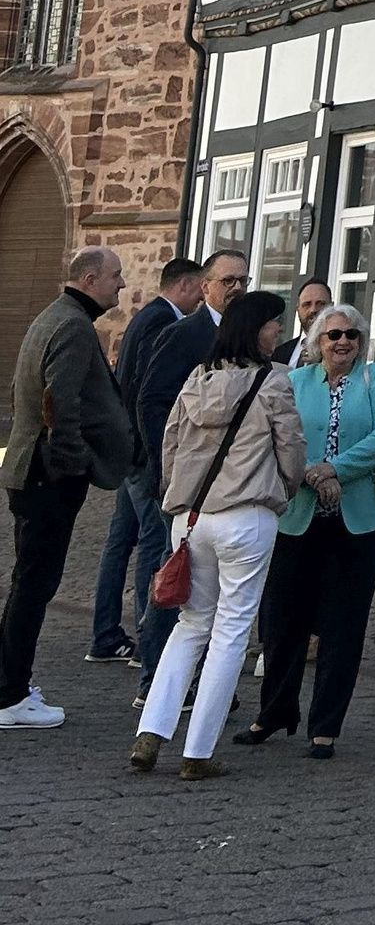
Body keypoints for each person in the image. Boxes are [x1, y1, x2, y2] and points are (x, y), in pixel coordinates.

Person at [130, 290, 306, 778]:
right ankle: (198, 751)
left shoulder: (198, 378)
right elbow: (290, 449)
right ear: (256, 329)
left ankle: (151, 732)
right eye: (274, 323)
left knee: (190, 625)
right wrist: (285, 488)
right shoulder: (273, 382)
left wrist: (177, 495)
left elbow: (171, 442)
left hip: (191, 518)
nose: (278, 331)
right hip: (246, 516)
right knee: (230, 632)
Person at [239, 301, 375, 758]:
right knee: (283, 621)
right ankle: (273, 712)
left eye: (351, 334)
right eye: (333, 335)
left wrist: (334, 469)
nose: (343, 341)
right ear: (315, 343)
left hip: (360, 521)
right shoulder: (292, 381)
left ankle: (324, 726)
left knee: (344, 624)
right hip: (297, 515)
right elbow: (276, 436)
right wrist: (309, 472)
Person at [0, 248, 134, 731]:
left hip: (33, 470)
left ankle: (8, 686)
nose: (122, 286)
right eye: (116, 277)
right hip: (46, 476)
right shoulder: (73, 324)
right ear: (90, 278)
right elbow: (60, 401)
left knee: (28, 584)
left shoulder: (56, 316)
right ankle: (11, 695)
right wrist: (73, 465)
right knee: (34, 586)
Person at [134, 248, 251, 696]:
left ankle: (202, 679)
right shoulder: (186, 334)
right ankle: (155, 679)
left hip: (227, 486)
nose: (236, 288)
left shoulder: (245, 340)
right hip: (183, 482)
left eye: (243, 280)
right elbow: (151, 400)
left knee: (214, 586)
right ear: (205, 287)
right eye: (228, 281)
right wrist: (169, 467)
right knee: (176, 577)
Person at [87, 255, 203, 666]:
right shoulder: (161, 320)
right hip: (141, 455)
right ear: (187, 286)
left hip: (128, 451)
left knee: (121, 541)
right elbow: (146, 391)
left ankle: (105, 633)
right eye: (201, 289)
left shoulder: (145, 316)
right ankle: (145, 638)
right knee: (154, 543)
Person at [273, 279, 334, 365]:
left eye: (321, 304)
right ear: (298, 309)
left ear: (331, 307)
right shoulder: (278, 353)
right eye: (307, 304)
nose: (313, 310)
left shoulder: (338, 353)